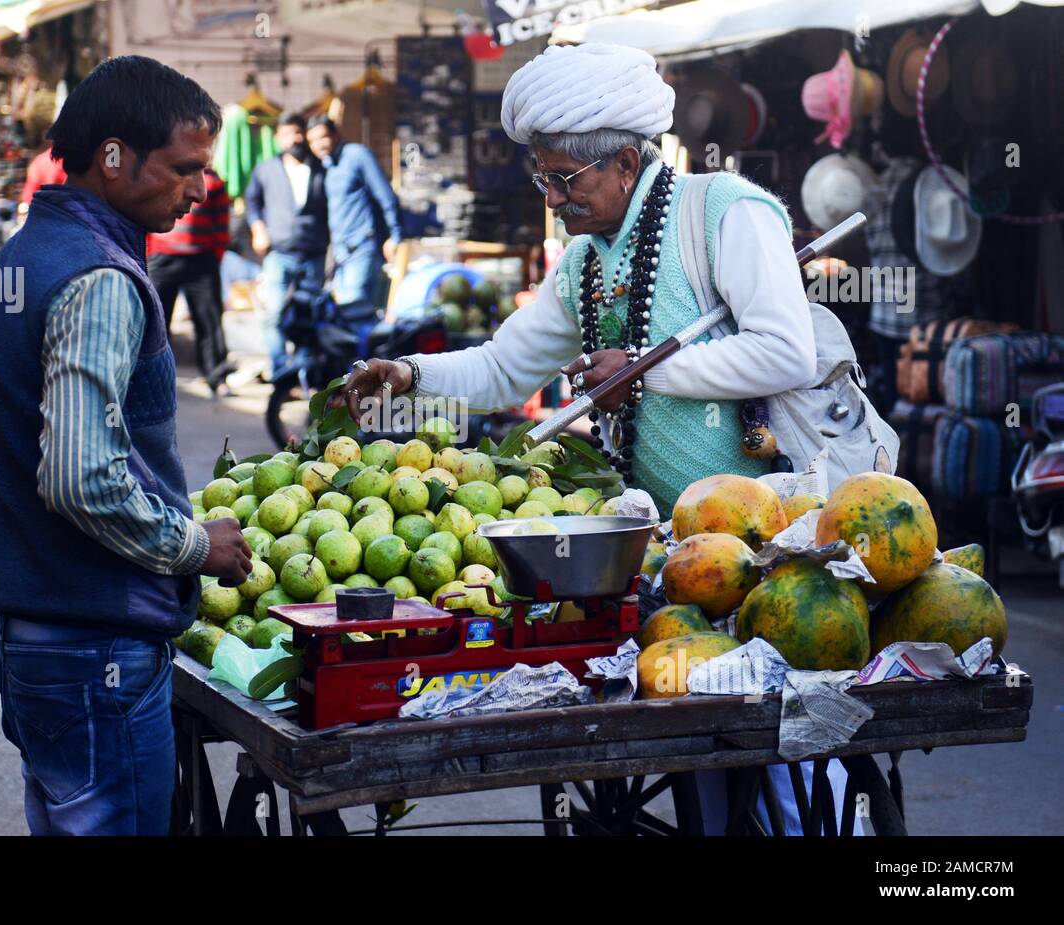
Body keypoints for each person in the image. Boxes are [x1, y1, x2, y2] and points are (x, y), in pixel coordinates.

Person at [340, 43, 861, 835]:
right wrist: (410, 374)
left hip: (771, 546)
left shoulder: (727, 211)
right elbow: (504, 368)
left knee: (792, 772)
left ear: (624, 160)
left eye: (563, 180)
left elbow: (785, 348)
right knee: (705, 766)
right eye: (541, 178)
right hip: (669, 558)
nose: (550, 199)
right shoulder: (585, 261)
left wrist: (645, 375)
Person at [0, 55, 251, 836]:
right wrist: (191, 544)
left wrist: (48, 481)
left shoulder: (21, 255)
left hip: (37, 648)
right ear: (114, 157)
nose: (199, 191)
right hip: (97, 648)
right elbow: (81, 478)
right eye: (184, 168)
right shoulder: (101, 278)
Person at [246, 113, 329, 377]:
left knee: (308, 317)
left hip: (313, 254)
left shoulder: (321, 167)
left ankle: (304, 371)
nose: (294, 138)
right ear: (278, 138)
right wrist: (258, 230)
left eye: (298, 132)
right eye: (287, 133)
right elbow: (252, 203)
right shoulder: (266, 169)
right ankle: (281, 370)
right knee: (274, 314)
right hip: (278, 254)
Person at [146, 166, 234, 393]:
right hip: (162, 258)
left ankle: (216, 376)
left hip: (201, 259)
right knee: (155, 322)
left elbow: (222, 221)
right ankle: (152, 378)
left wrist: (215, 255)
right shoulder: (159, 174)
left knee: (209, 320)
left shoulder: (213, 181)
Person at [305, 114, 401, 307]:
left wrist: (395, 235)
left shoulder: (357, 155)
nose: (318, 145)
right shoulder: (327, 164)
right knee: (342, 314)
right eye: (312, 141)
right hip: (341, 254)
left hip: (362, 246)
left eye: (322, 137)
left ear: (336, 134)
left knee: (354, 310)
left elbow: (386, 196)